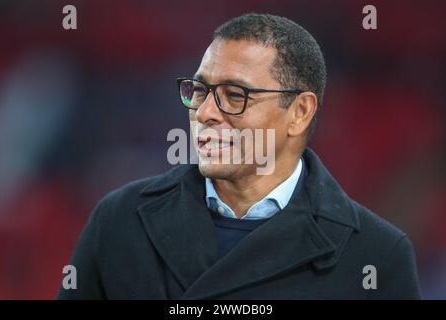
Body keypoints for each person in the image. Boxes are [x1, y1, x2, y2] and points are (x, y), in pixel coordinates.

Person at [58, 13, 421, 299]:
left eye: (235, 96)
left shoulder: (376, 255)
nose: (204, 113)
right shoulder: (119, 221)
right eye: (199, 91)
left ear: (299, 111)